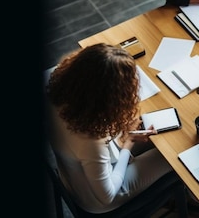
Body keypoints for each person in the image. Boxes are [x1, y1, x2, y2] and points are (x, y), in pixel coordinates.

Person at [45, 43, 188, 215]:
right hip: (98, 198)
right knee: (175, 154)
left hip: (71, 174)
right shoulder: (90, 141)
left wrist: (120, 133)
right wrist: (127, 144)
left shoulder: (56, 86)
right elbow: (107, 195)